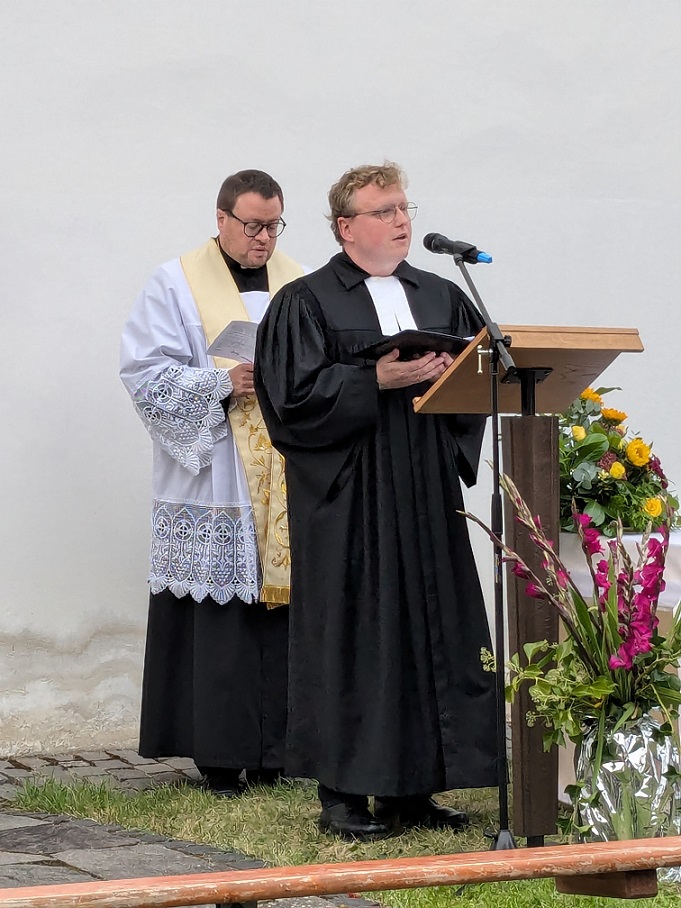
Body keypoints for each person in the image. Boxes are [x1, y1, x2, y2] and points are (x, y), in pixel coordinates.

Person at [254, 163, 497, 839]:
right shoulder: (305, 302)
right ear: (345, 226)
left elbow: (485, 375)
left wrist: (454, 378)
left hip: (423, 489)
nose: (400, 220)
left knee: (428, 632)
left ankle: (412, 793)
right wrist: (375, 378)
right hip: (351, 498)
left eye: (402, 207)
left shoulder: (441, 294)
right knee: (352, 635)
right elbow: (289, 403)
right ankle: (341, 795)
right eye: (383, 210)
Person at [120, 169, 304, 796]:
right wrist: (222, 383)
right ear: (221, 219)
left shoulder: (299, 282)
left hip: (283, 474)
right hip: (217, 475)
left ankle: (279, 751)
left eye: (274, 225)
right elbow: (144, 373)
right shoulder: (174, 281)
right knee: (217, 619)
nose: (264, 239)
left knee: (281, 613)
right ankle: (218, 754)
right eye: (253, 226)